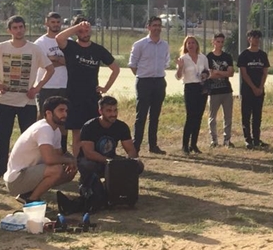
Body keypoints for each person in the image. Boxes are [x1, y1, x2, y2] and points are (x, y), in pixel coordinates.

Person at [0, 15, 54, 179]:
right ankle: (1, 169)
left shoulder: (34, 49)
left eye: (21, 27)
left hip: (28, 101)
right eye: (15, 28)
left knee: (28, 138)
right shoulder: (0, 48)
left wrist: (37, 87)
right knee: (2, 136)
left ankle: (26, 169)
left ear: (25, 28)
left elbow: (50, 68)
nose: (19, 30)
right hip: (5, 100)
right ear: (9, 30)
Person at [55, 17, 120, 157]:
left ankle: (95, 160)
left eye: (87, 30)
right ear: (77, 32)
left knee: (93, 132)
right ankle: (78, 163)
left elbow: (115, 68)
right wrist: (76, 27)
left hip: (92, 97)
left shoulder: (98, 50)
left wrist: (105, 87)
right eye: (81, 31)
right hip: (74, 96)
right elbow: (59, 38)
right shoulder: (71, 47)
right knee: (77, 134)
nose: (85, 33)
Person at [4, 95, 78, 204]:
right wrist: (69, 161)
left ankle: (28, 194)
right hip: (16, 179)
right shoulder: (44, 128)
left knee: (69, 172)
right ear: (48, 113)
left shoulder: (55, 130)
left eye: (66, 111)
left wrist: (72, 161)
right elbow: (50, 159)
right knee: (56, 170)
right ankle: (31, 200)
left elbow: (59, 154)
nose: (65, 114)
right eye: (61, 110)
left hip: (29, 172)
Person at [128, 16, 170, 155]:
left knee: (155, 115)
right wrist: (143, 76)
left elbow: (165, 63)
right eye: (154, 25)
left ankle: (153, 145)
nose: (157, 28)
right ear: (148, 27)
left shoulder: (164, 45)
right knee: (141, 116)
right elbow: (133, 64)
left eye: (159, 25)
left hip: (159, 81)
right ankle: (136, 146)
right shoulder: (140, 44)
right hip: (144, 81)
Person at [77, 96, 143, 183]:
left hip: (111, 159)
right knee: (87, 165)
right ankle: (88, 184)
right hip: (92, 160)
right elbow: (89, 153)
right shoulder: (89, 127)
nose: (113, 114)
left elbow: (131, 150)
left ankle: (117, 184)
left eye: (115, 110)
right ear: (100, 111)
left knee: (138, 165)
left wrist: (130, 163)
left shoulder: (121, 126)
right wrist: (109, 161)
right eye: (109, 111)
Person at [34, 12, 68, 152]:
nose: (56, 25)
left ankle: (63, 149)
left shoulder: (67, 40)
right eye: (53, 22)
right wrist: (58, 62)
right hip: (46, 86)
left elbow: (70, 62)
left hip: (64, 85)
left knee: (63, 119)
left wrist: (55, 59)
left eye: (58, 22)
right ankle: (41, 147)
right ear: (46, 23)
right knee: (44, 118)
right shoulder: (40, 43)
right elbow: (43, 65)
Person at [237, 29, 269, 148]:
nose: (256, 39)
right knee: (246, 115)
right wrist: (253, 87)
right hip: (247, 90)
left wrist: (260, 87)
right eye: (253, 37)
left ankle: (257, 139)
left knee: (257, 115)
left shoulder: (263, 55)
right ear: (249, 39)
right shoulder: (244, 55)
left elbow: (265, 72)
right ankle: (247, 139)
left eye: (258, 37)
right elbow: (244, 74)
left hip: (259, 90)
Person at [175, 36, 207, 153]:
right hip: (190, 88)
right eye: (189, 43)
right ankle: (185, 145)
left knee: (198, 117)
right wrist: (180, 67)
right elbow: (178, 76)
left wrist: (205, 75)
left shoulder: (203, 58)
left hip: (201, 88)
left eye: (193, 43)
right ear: (185, 46)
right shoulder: (183, 58)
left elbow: (207, 71)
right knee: (190, 117)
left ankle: (194, 144)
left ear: (197, 45)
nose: (191, 45)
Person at [204, 33, 235, 148]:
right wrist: (221, 73)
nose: (220, 44)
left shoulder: (227, 57)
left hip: (226, 90)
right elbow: (210, 75)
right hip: (213, 91)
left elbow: (231, 73)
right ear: (213, 42)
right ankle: (214, 140)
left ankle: (227, 140)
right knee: (212, 117)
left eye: (222, 42)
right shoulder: (209, 57)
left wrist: (218, 72)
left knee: (228, 116)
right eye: (218, 42)